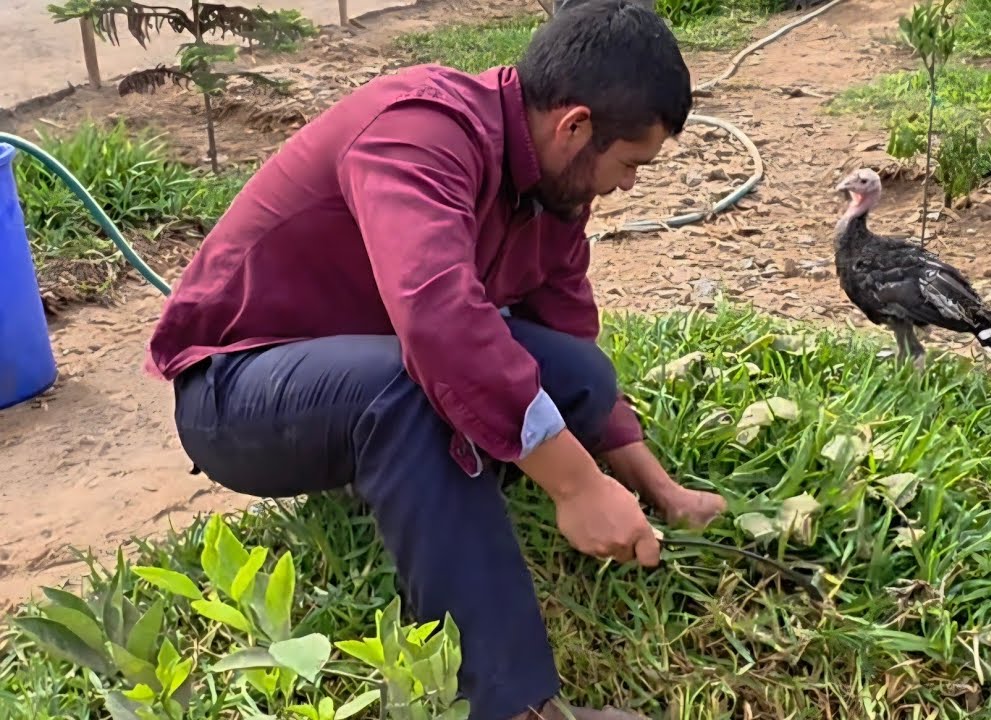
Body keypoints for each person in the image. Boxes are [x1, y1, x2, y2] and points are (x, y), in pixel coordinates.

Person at [142, 1, 727, 718]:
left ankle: (426, 488)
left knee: (578, 376)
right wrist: (574, 485)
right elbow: (438, 319)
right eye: (631, 163)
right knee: (415, 386)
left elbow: (568, 337)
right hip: (237, 390)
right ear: (575, 126)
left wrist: (655, 486)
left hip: (360, 366)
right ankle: (509, 703)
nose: (628, 185)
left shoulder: (552, 190)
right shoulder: (420, 133)